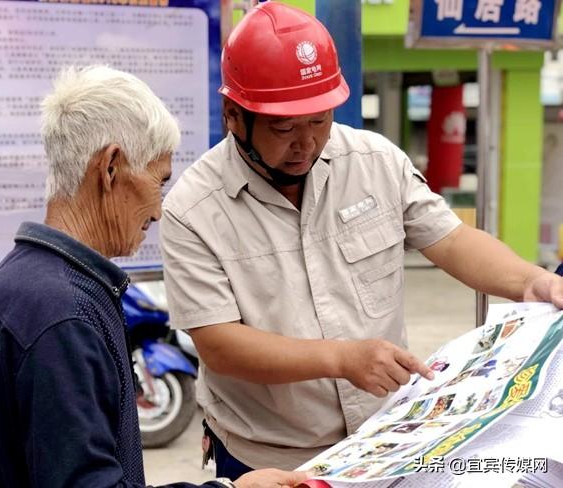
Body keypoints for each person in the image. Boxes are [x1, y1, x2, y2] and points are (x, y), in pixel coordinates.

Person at [159, 1, 563, 476]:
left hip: (389, 439)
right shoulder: (193, 209)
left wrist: (532, 281)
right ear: (233, 114)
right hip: (270, 457)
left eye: (319, 120)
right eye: (284, 126)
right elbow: (220, 344)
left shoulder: (373, 162)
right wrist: (341, 358)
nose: (305, 143)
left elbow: (451, 240)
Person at [0, 65, 310, 488]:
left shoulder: (30, 279)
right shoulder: (61, 313)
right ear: (110, 168)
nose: (159, 210)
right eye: (159, 181)